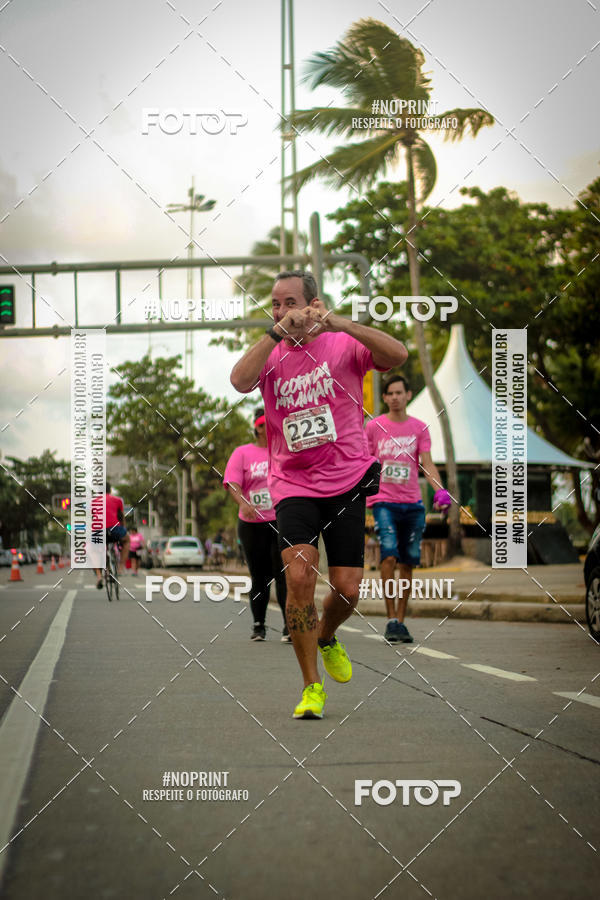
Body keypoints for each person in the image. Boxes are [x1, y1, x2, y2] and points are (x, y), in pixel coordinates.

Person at [230, 270, 407, 719]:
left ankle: (327, 635)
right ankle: (311, 686)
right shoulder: (270, 354)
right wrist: (273, 334)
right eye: (275, 304)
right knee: (300, 580)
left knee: (348, 589)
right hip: (292, 485)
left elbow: (397, 354)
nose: (282, 311)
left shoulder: (343, 344)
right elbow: (238, 380)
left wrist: (342, 323)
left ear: (314, 304)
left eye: (290, 303)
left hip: (347, 480)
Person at [365, 375, 452, 643]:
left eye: (399, 392)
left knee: (407, 563)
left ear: (408, 394)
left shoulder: (419, 428)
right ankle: (391, 618)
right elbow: (364, 462)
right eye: (389, 393)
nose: (394, 397)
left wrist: (439, 490)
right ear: (385, 398)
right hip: (383, 502)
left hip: (413, 505)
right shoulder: (374, 427)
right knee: (388, 555)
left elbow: (426, 462)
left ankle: (401, 621)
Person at [223, 407, 288, 641]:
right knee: (259, 575)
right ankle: (258, 625)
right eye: (261, 425)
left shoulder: (283, 450)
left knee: (283, 573)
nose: (265, 429)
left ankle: (289, 626)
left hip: (280, 520)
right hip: (251, 523)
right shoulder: (242, 453)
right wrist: (243, 503)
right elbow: (232, 482)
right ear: (256, 428)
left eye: (268, 424)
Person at [93, 483, 130, 589]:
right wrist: (124, 529)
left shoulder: (93, 502)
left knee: (94, 550)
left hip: (98, 531)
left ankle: (99, 576)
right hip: (114, 530)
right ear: (110, 490)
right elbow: (121, 516)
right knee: (127, 540)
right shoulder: (118, 500)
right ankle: (121, 567)